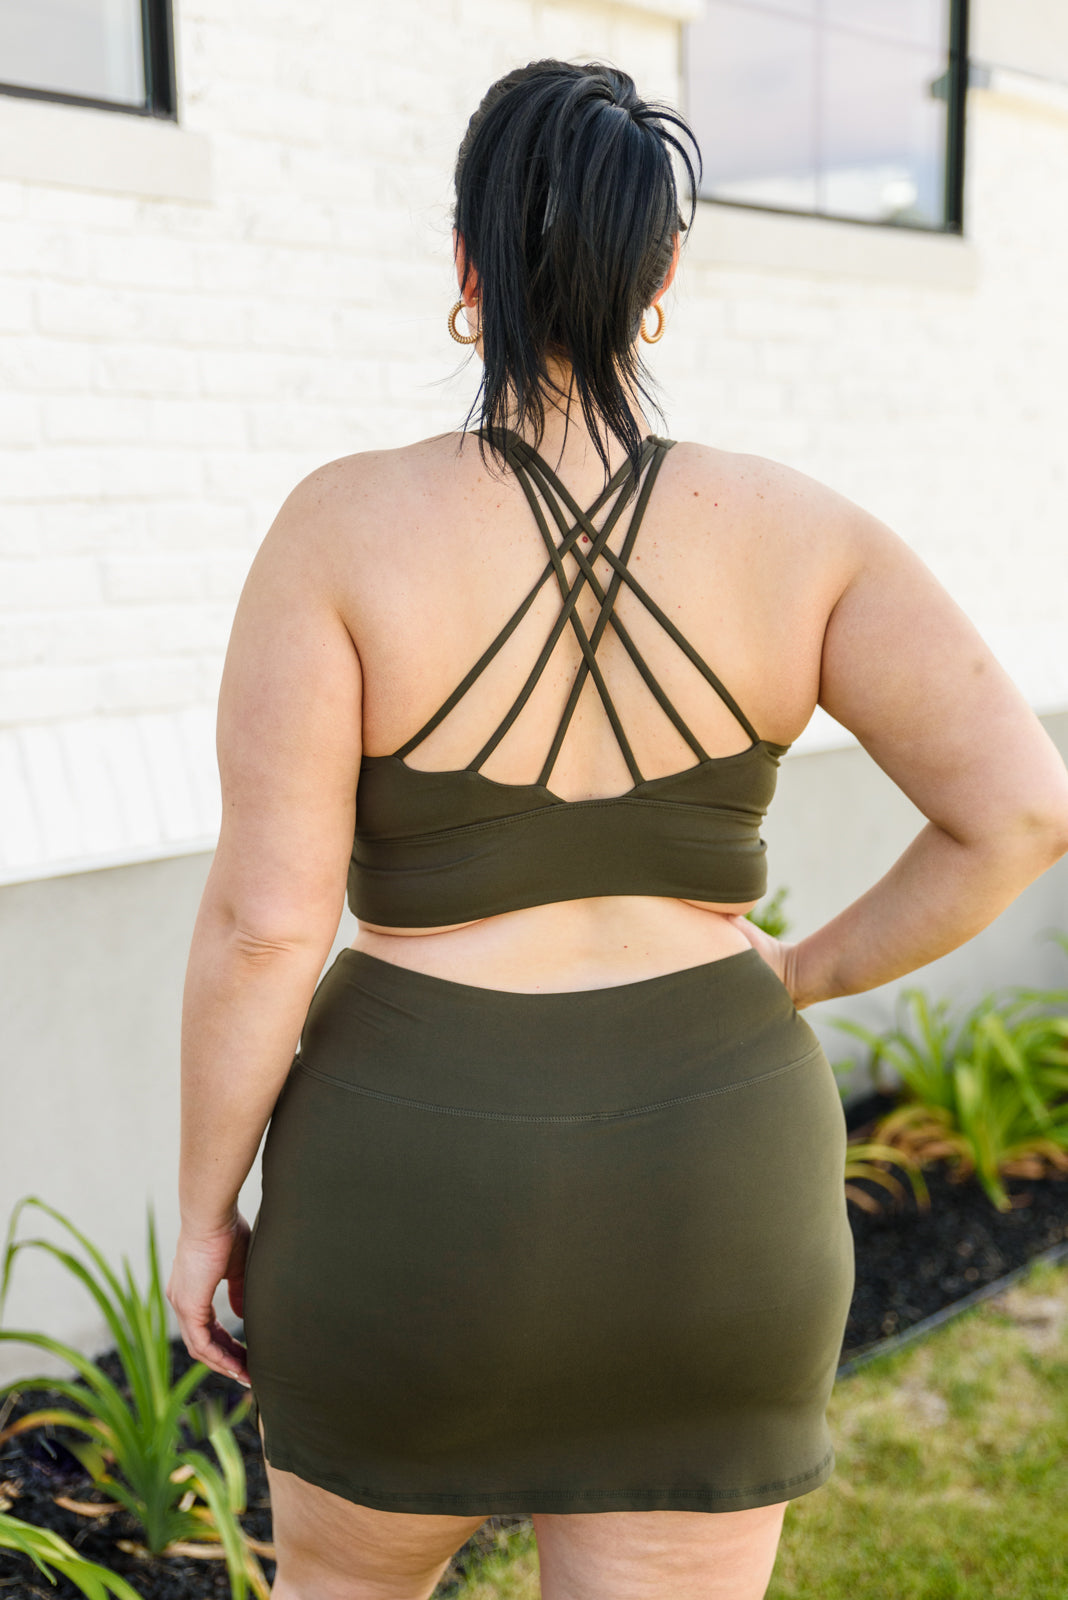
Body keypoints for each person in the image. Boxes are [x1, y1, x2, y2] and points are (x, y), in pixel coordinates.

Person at [166, 58, 1068, 1600]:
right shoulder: (803, 532)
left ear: (467, 263)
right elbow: (1024, 810)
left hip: (409, 1178)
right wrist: (803, 972)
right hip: (716, 1181)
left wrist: (204, 1216)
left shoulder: (340, 529)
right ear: (663, 277)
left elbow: (265, 928)